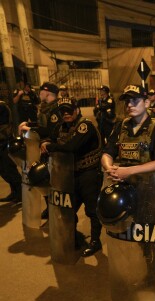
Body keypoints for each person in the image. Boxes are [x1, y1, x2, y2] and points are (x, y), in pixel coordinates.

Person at [101, 84, 155, 301]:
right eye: (127, 101)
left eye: (135, 100)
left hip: (154, 193)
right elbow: (107, 151)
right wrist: (110, 167)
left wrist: (128, 171)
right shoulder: (121, 126)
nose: (129, 105)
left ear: (147, 103)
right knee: (142, 238)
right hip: (130, 195)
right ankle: (151, 274)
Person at [41, 97, 103, 257]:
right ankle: (72, 238)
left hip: (89, 174)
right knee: (67, 208)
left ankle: (96, 241)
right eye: (63, 111)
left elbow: (71, 147)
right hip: (70, 175)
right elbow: (50, 135)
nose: (66, 113)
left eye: (69, 110)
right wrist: (46, 141)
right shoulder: (62, 126)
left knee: (92, 211)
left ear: (77, 110)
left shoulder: (85, 125)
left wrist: (50, 146)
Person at [19, 82, 63, 219]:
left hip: (52, 149)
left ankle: (56, 209)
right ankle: (49, 208)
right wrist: (29, 124)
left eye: (41, 92)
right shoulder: (46, 108)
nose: (39, 94)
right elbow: (43, 124)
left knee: (52, 180)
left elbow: (51, 130)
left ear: (47, 93)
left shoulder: (56, 109)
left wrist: (30, 129)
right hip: (43, 147)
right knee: (43, 178)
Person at [0, 98, 21, 202]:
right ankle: (14, 192)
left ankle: (20, 193)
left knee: (9, 169)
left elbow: (4, 126)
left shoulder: (2, 107)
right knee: (3, 170)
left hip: (4, 142)